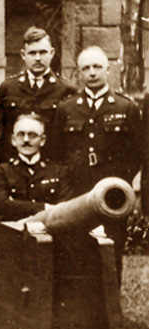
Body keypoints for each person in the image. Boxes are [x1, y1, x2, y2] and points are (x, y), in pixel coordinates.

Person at [51, 46, 142, 274]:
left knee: (111, 251)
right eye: (86, 68)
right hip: (76, 192)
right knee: (76, 253)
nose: (92, 73)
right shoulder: (66, 108)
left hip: (112, 193)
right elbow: (56, 153)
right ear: (79, 73)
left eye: (97, 67)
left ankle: (111, 298)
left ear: (108, 70)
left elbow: (137, 153)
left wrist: (122, 183)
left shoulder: (126, 107)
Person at [0, 113, 67, 247]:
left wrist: (19, 206)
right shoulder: (2, 170)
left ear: (43, 140)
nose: (26, 140)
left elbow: (63, 207)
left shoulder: (58, 171)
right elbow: (2, 205)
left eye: (32, 135)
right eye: (21, 135)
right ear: (13, 140)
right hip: (14, 239)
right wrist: (44, 207)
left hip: (51, 237)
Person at [0, 26, 76, 161]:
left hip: (52, 164)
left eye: (43, 52)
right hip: (15, 164)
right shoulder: (8, 88)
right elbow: (1, 133)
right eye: (32, 53)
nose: (38, 58)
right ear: (23, 55)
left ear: (52, 53)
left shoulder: (67, 90)